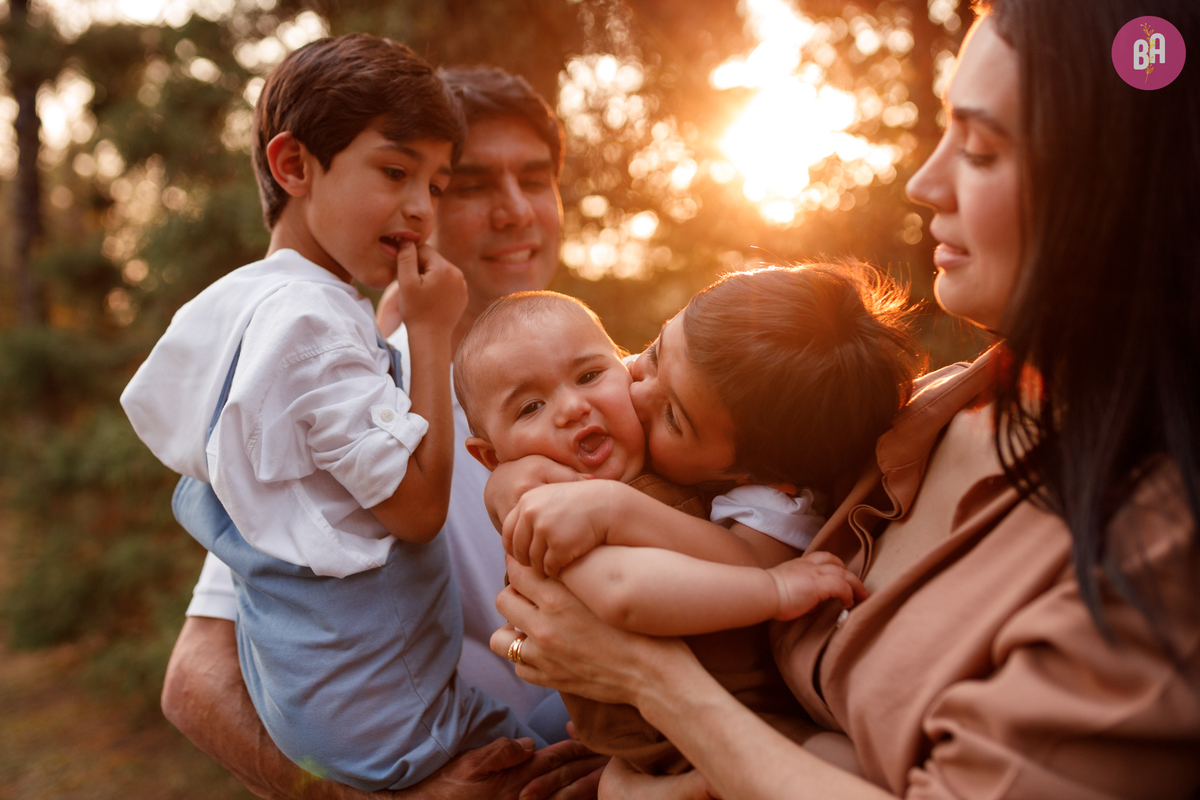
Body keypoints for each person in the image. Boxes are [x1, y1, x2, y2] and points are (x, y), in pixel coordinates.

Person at [488, 0, 1200, 797]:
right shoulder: (928, 414)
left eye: (984, 149)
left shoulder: (1156, 551)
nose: (925, 182)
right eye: (942, 131)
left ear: (1125, 193)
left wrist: (652, 685)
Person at [152, 59, 604, 799]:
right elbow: (195, 680)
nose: (517, 210)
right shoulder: (340, 398)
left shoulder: (616, 382)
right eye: (475, 185)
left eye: (535, 177)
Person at [457, 276, 917, 774]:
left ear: (756, 474)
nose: (634, 390)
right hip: (654, 746)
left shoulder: (756, 497)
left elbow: (630, 591)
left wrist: (614, 508)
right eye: (651, 355)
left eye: (673, 416)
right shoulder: (555, 498)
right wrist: (508, 483)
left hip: (737, 727)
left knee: (847, 764)